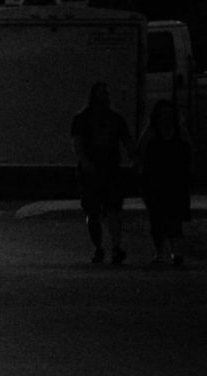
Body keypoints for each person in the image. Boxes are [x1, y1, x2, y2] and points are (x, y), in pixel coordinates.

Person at [71, 81, 137, 264]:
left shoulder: (115, 118)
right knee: (92, 212)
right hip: (91, 170)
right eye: (102, 94)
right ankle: (98, 247)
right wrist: (84, 162)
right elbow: (77, 143)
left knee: (113, 209)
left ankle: (116, 247)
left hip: (110, 169)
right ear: (94, 96)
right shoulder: (82, 118)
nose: (106, 97)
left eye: (107, 94)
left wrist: (134, 159)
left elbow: (126, 140)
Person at [137, 99, 193, 266]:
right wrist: (140, 171)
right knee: (157, 218)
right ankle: (159, 252)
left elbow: (189, 150)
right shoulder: (151, 131)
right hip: (154, 179)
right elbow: (141, 150)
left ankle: (176, 251)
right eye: (163, 113)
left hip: (175, 180)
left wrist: (189, 170)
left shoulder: (180, 131)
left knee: (175, 218)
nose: (166, 116)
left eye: (169, 113)